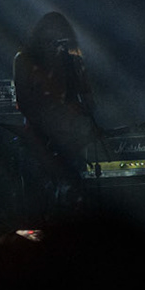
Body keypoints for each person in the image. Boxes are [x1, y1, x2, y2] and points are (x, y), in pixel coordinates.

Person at [15, 12, 102, 210]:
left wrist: (80, 112)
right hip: (39, 137)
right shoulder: (24, 60)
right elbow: (24, 101)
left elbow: (88, 99)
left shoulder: (70, 60)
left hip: (70, 136)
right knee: (41, 194)